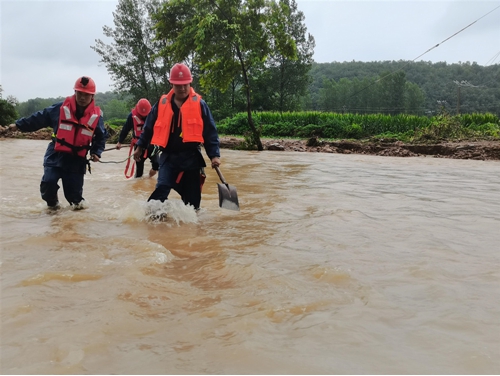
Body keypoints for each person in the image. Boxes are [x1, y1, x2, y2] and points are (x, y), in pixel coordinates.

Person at [4, 76, 108, 210]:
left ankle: (76, 224)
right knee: (48, 183)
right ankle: (54, 212)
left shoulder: (96, 116)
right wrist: (18, 125)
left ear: (92, 96)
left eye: (86, 95)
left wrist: (96, 152)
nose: (82, 98)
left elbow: (101, 137)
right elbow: (39, 118)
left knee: (75, 201)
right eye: (79, 93)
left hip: (76, 160)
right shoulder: (60, 108)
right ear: (75, 93)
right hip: (55, 154)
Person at [133, 63, 221, 210]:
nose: (182, 88)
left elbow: (210, 132)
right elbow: (148, 127)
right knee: (161, 191)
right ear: (171, 84)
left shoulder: (200, 104)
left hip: (191, 158)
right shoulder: (161, 104)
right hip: (168, 157)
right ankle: (152, 222)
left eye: (185, 84)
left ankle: (190, 229)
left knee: (193, 203)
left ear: (190, 83)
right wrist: (140, 147)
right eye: (178, 85)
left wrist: (214, 155)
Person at [116, 98, 159, 178]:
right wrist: (119, 142)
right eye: (142, 114)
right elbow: (125, 129)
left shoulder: (153, 115)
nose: (144, 116)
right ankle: (138, 185)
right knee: (139, 172)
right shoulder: (131, 116)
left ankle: (150, 177)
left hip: (151, 145)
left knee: (157, 164)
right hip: (138, 147)